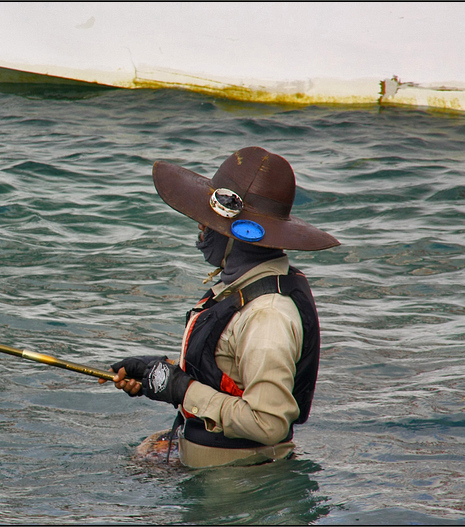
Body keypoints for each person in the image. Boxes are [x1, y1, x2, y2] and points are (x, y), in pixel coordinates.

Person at [100, 146, 340, 468]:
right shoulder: (243, 289)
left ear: (243, 234)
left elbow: (269, 424)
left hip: (238, 489)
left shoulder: (268, 317)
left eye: (210, 221)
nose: (201, 226)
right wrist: (157, 373)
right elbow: (228, 373)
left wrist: (181, 389)